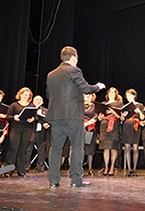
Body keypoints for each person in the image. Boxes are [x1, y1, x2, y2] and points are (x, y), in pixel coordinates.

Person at [46, 46, 105, 189]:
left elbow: (48, 95)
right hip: (73, 116)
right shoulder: (74, 70)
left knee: (56, 148)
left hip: (56, 116)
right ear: (73, 57)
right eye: (77, 57)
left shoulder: (51, 74)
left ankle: (54, 181)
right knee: (78, 147)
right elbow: (85, 88)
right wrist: (97, 86)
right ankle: (75, 180)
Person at [5, 87, 36, 177]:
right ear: (20, 94)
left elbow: (36, 117)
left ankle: (21, 170)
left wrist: (33, 119)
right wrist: (14, 117)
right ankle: (8, 170)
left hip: (27, 128)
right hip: (16, 128)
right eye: (25, 95)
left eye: (28, 95)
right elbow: (8, 116)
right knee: (14, 148)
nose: (26, 96)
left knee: (23, 149)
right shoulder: (14, 105)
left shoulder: (31, 106)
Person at [98, 87, 123, 177]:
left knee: (113, 147)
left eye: (113, 93)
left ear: (116, 94)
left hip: (114, 125)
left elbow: (121, 117)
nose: (111, 94)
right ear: (107, 94)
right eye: (110, 93)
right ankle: (106, 167)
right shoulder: (104, 103)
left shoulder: (119, 103)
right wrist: (100, 117)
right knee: (106, 147)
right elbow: (99, 116)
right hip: (104, 125)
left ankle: (112, 167)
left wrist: (113, 111)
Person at [121, 89, 144, 176]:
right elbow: (122, 119)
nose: (128, 97)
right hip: (127, 126)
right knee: (127, 148)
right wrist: (123, 116)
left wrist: (139, 112)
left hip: (135, 127)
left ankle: (134, 168)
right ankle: (129, 168)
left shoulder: (139, 105)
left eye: (130, 95)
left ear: (134, 96)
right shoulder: (125, 106)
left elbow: (142, 117)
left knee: (135, 148)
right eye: (127, 96)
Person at [83, 93, 97, 176]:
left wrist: (86, 124)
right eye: (86, 96)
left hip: (90, 129)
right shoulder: (79, 104)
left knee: (89, 150)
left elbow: (95, 117)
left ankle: (90, 168)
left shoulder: (94, 106)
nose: (88, 97)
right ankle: (75, 168)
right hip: (79, 129)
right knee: (78, 148)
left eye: (89, 96)